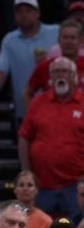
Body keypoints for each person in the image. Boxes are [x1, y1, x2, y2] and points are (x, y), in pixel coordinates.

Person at [0, 0, 60, 120]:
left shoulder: (56, 32)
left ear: (38, 13)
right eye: (19, 11)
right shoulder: (10, 40)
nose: (24, 15)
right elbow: (0, 72)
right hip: (25, 109)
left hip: (57, 105)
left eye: (28, 10)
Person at [19, 57, 84, 217]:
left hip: (76, 185)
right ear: (50, 78)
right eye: (56, 72)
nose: (60, 75)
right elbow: (24, 137)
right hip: (43, 185)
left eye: (65, 71)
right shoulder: (37, 102)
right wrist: (26, 171)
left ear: (74, 77)